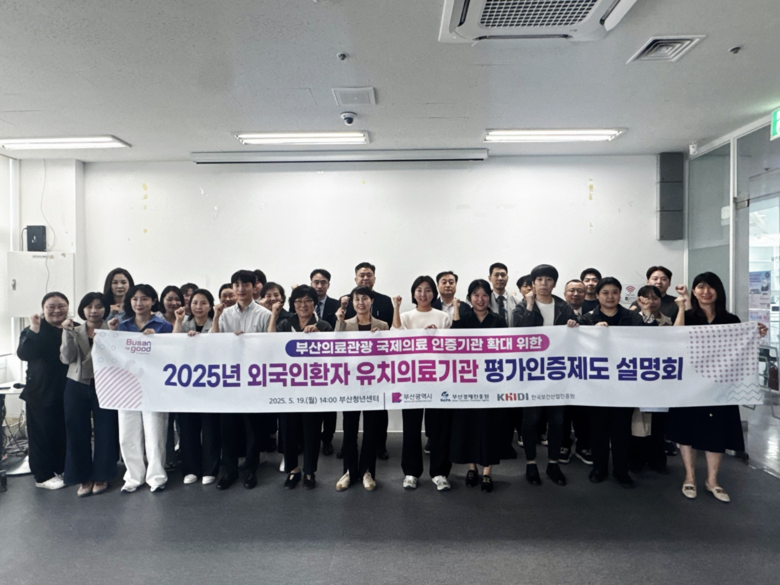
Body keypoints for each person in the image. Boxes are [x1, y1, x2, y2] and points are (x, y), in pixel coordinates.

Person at [669, 273, 767, 503]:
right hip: (689, 384)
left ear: (718, 291)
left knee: (717, 430)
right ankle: (690, 477)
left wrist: (756, 334)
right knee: (687, 429)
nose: (706, 292)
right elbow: (674, 338)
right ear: (694, 291)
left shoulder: (730, 320)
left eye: (710, 287)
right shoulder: (687, 316)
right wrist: (681, 308)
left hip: (721, 387)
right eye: (700, 287)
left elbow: (741, 349)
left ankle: (712, 480)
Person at [512, 264, 580, 487]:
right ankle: (531, 463)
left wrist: (573, 325)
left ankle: (553, 463)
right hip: (531, 372)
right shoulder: (521, 307)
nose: (544, 283)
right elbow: (520, 334)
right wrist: (530, 306)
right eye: (539, 279)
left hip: (557, 372)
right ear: (533, 283)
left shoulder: (563, 307)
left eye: (548, 279)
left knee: (557, 420)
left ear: (554, 283)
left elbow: (574, 340)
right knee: (530, 420)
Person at [108, 284, 173, 493]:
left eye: (144, 298)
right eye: (135, 299)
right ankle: (133, 476)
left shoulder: (163, 326)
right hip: (126, 386)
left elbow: (172, 354)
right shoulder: (122, 326)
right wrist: (112, 333)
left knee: (155, 433)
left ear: (153, 301)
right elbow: (113, 353)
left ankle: (156, 477)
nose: (139, 303)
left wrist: (157, 341)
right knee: (127, 434)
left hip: (154, 385)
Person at [581, 277, 644, 488]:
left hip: (624, 381)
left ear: (620, 294)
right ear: (597, 295)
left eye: (615, 292)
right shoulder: (587, 319)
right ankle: (599, 468)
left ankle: (621, 470)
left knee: (622, 429)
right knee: (598, 429)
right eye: (605, 292)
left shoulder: (633, 318)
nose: (610, 297)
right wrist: (592, 332)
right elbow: (578, 347)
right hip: (596, 383)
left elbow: (642, 344)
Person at [269, 285, 334, 490]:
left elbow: (332, 355)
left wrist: (319, 337)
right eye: (298, 301)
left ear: (314, 304)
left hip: (314, 389)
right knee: (288, 431)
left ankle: (309, 471)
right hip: (288, 387)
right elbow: (270, 344)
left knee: (311, 431)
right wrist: (274, 316)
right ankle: (293, 470)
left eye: (307, 301)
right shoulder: (285, 323)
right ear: (293, 304)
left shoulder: (323, 325)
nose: (303, 305)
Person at [392, 275, 453, 492]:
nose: (423, 294)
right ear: (413, 293)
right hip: (412, 379)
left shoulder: (443, 316)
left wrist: (435, 337)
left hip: (438, 379)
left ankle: (439, 473)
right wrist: (396, 308)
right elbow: (396, 338)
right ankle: (411, 472)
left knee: (439, 429)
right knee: (411, 427)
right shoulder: (406, 316)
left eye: (427, 290)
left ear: (433, 293)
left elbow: (451, 346)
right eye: (419, 290)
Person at [213, 270, 272, 491]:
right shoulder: (225, 314)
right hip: (229, 377)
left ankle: (250, 470)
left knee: (253, 428)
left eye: (245, 284)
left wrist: (249, 342)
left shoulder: (264, 314)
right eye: (236, 285)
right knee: (228, 427)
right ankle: (230, 470)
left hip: (254, 378)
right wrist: (217, 320)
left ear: (254, 286)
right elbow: (214, 344)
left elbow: (269, 347)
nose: (240, 289)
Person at [450, 279, 507, 492]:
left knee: (490, 425)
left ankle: (487, 471)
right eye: (476, 295)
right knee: (468, 424)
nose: (480, 299)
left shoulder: (498, 320)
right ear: (469, 298)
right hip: (467, 381)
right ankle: (471, 467)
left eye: (484, 295)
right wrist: (456, 311)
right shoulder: (463, 319)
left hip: (491, 381)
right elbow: (454, 343)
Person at [60, 292, 117, 497]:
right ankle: (82, 477)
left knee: (106, 430)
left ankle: (102, 475)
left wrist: (112, 334)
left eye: (99, 306)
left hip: (106, 384)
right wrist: (67, 333)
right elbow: (66, 358)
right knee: (76, 431)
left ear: (106, 309)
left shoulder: (112, 329)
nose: (94, 311)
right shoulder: (73, 329)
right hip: (77, 383)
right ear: (82, 309)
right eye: (89, 306)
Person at [333, 286, 389, 492]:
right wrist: (339, 323)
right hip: (350, 384)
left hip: (374, 385)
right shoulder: (345, 324)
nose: (361, 303)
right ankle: (349, 471)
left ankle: (367, 472)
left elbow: (388, 355)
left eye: (365, 298)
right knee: (349, 430)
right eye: (357, 299)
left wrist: (380, 338)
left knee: (371, 431)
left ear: (371, 301)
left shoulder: (382, 325)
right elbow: (334, 350)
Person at [16, 292, 70, 489]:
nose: (56, 310)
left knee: (62, 431)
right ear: (42, 308)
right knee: (41, 434)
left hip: (66, 388)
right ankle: (42, 476)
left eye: (61, 306)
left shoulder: (73, 327)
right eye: (51, 306)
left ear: (68, 307)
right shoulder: (34, 328)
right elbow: (24, 354)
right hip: (40, 390)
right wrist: (34, 328)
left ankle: (61, 468)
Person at [343, 262, 394, 460]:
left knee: (377, 414)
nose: (361, 302)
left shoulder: (384, 307)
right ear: (355, 278)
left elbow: (390, 341)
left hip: (376, 375)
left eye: (369, 274)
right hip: (351, 375)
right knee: (351, 417)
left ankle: (379, 446)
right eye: (361, 275)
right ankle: (349, 449)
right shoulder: (345, 309)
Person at [173, 289, 221, 486]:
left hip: (211, 384)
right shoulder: (185, 324)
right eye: (195, 303)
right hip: (186, 384)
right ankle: (191, 469)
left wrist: (216, 318)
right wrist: (178, 321)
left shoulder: (216, 322)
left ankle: (210, 469)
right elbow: (173, 344)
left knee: (210, 428)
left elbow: (217, 342)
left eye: (203, 303)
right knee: (187, 428)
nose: (198, 307)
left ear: (210, 305)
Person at [628, 285, 672, 476]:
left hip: (660, 379)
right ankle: (636, 460)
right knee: (638, 423)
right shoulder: (630, 319)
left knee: (659, 422)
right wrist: (645, 313)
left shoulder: (668, 321)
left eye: (655, 298)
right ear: (638, 299)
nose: (651, 302)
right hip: (637, 378)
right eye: (645, 298)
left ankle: (657, 460)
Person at [310, 268, 341, 456]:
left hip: (330, 362)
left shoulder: (337, 305)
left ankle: (327, 438)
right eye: (316, 282)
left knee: (330, 404)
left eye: (323, 282)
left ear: (328, 284)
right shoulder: (303, 304)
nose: (319, 286)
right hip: (307, 363)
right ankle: (310, 438)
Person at [562, 279, 590, 464]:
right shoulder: (557, 313)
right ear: (565, 294)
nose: (575, 294)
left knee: (584, 412)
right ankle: (564, 444)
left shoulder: (592, 314)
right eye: (571, 290)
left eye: (580, 291)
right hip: (561, 370)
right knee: (563, 412)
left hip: (585, 371)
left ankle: (583, 446)